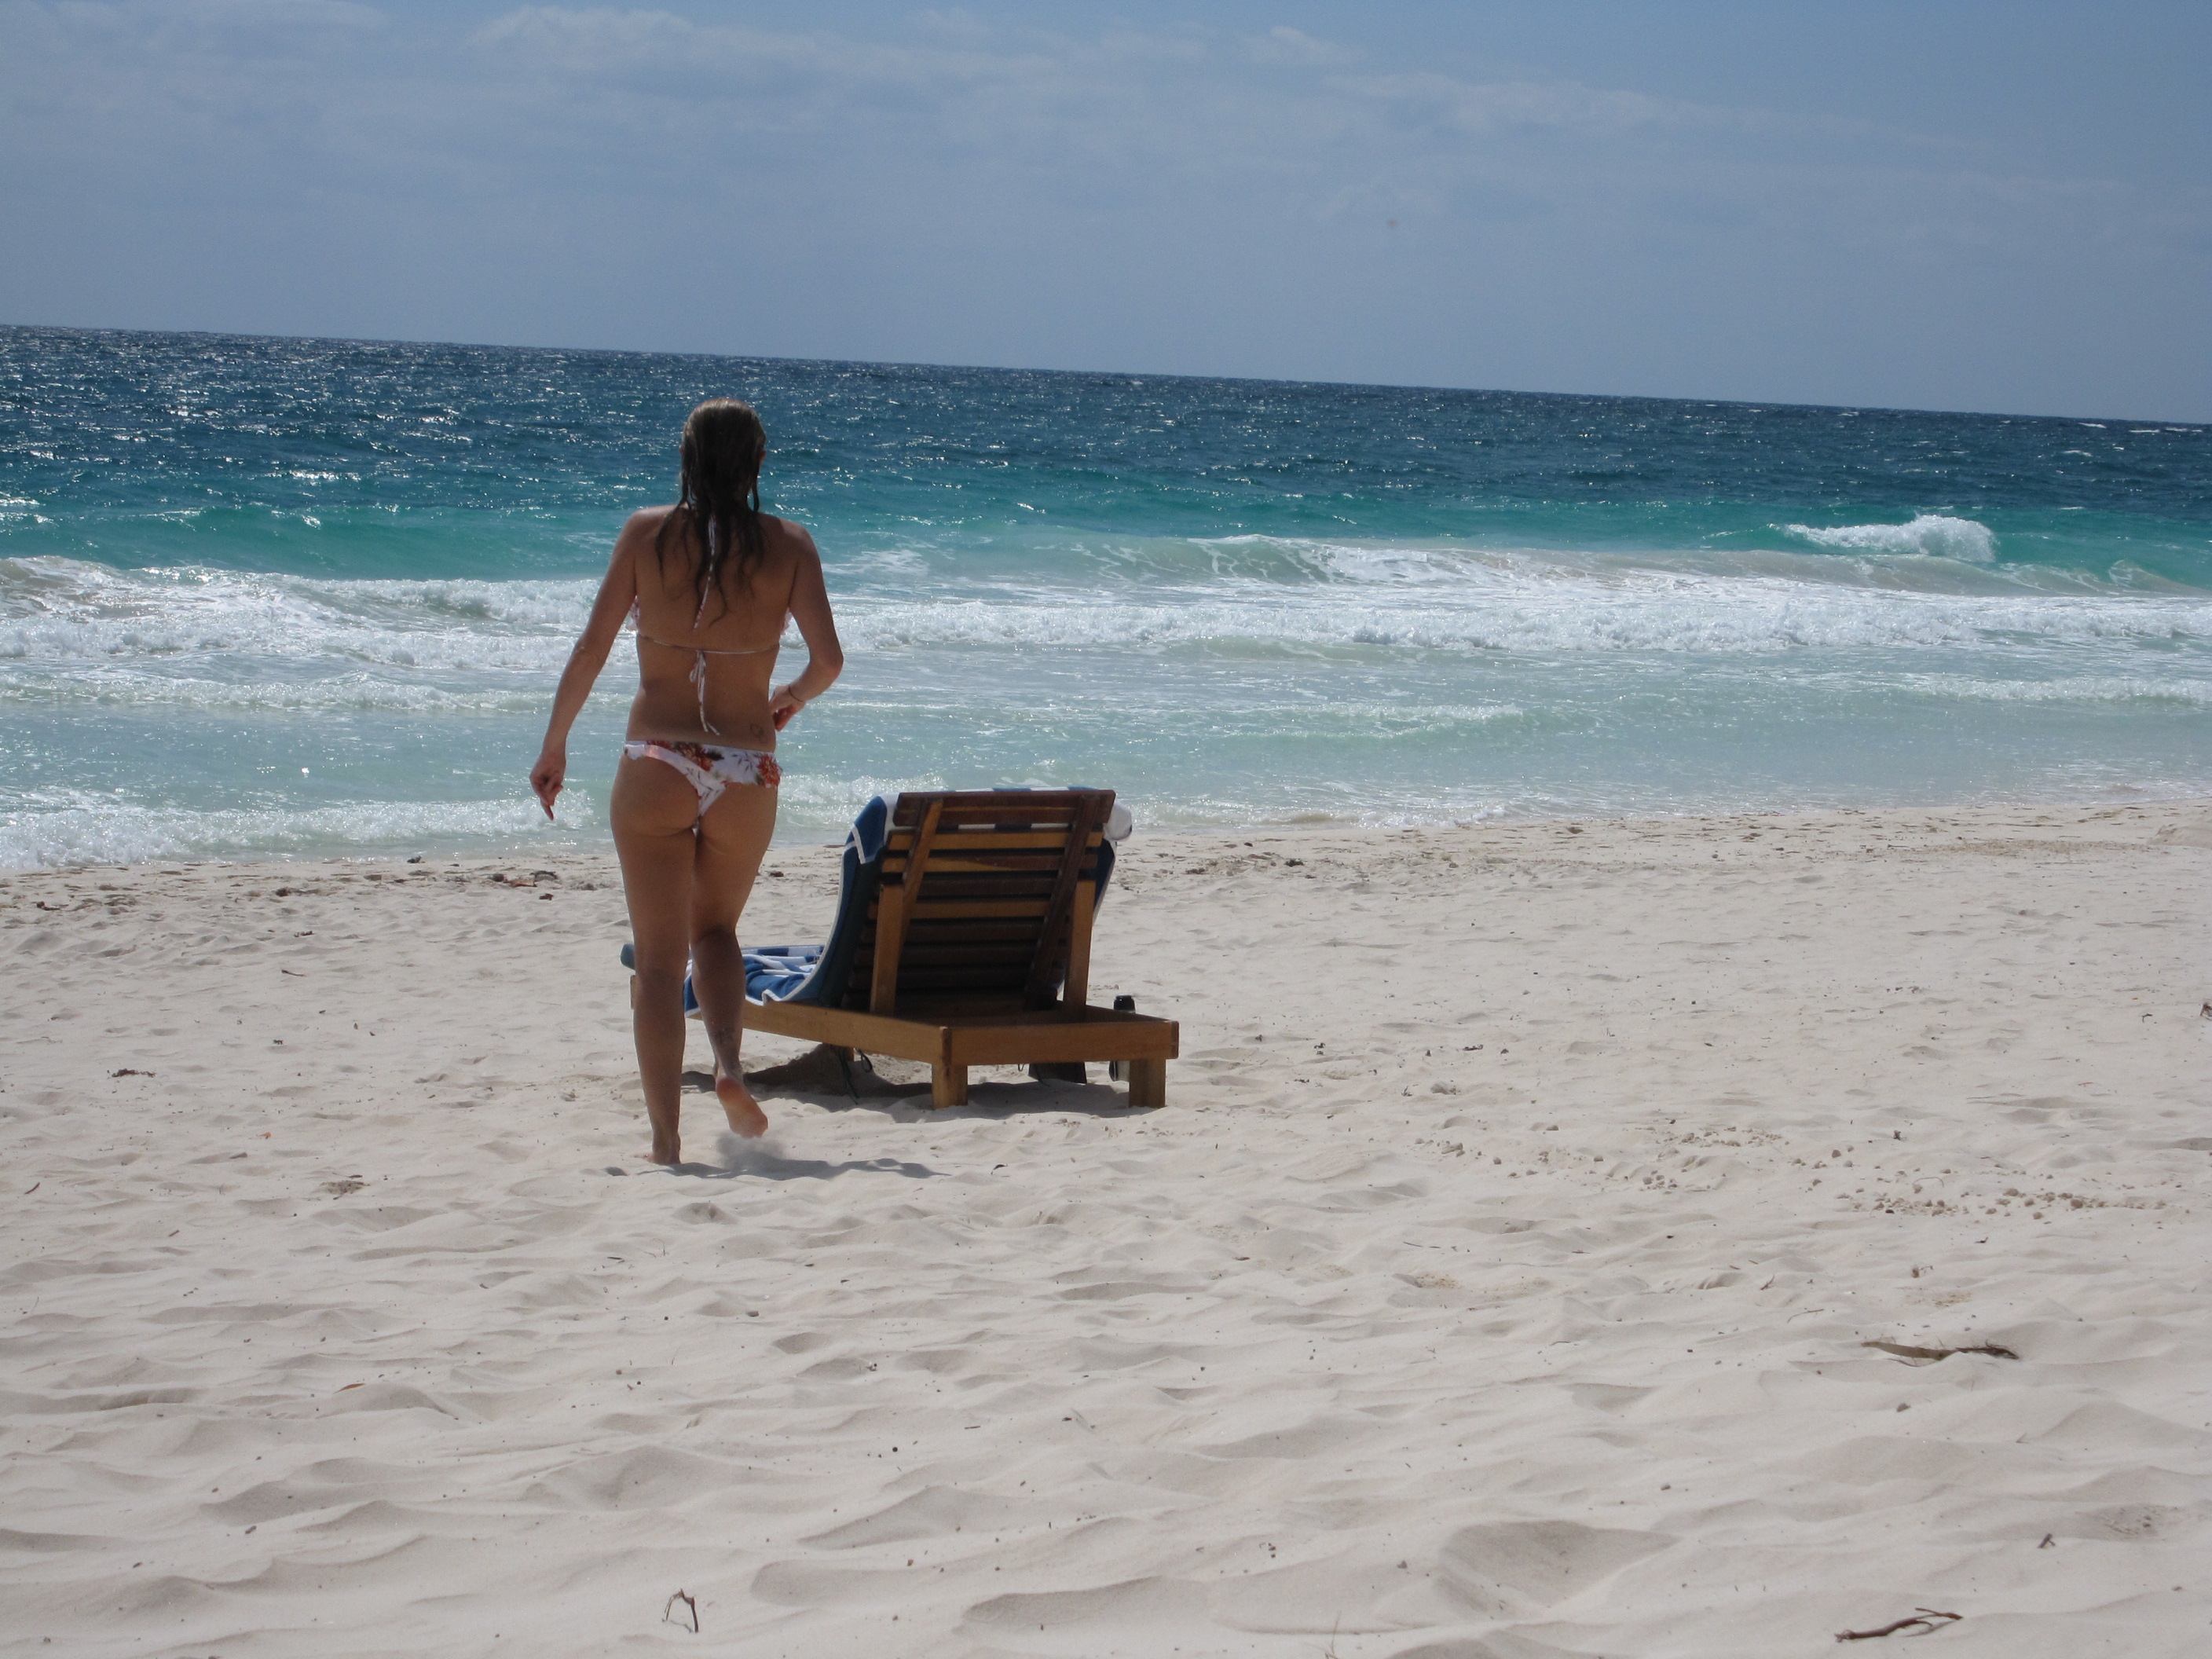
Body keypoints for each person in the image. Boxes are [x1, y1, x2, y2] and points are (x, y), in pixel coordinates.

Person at [531, 400, 843, 1164]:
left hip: (658, 761)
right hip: (745, 767)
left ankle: (666, 1140)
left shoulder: (646, 534)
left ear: (686, 459)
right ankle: (729, 1065)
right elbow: (829, 661)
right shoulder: (790, 545)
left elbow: (592, 648)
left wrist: (555, 744)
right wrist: (790, 698)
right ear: (757, 463)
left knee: (659, 961)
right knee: (718, 933)